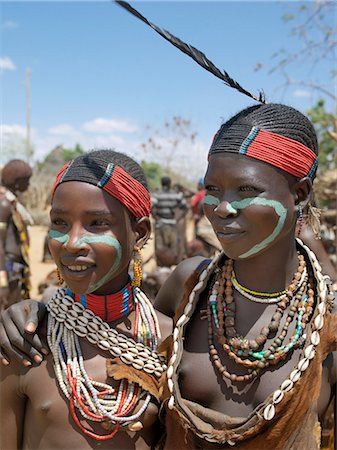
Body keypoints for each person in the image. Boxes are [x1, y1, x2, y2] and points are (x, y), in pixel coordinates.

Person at [2, 104, 336, 450]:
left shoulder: (327, 323)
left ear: (299, 194)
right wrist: (34, 311)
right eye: (213, 189)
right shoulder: (190, 287)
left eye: (246, 190)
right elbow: (116, 329)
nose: (222, 207)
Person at [0, 149, 172, 449]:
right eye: (60, 223)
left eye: (96, 223)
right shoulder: (25, 344)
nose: (72, 242)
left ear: (140, 233)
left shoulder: (169, 343)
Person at [0, 159, 33, 311]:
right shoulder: (4, 204)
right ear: (17, 182)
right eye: (27, 181)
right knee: (8, 312)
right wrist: (2, 282)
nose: (29, 185)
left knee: (14, 309)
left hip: (14, 266)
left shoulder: (12, 204)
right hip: (7, 266)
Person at [151, 176, 187, 267]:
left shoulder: (157, 194)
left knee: (160, 248)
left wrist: (156, 218)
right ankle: (171, 270)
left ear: (162, 183)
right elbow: (185, 208)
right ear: (169, 183)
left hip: (160, 225)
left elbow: (151, 207)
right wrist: (177, 219)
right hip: (172, 224)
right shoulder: (176, 194)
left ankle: (161, 268)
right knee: (173, 249)